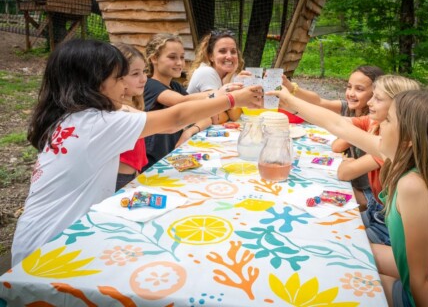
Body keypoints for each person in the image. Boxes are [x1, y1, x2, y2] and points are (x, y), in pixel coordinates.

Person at [12, 39, 262, 265]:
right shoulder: (98, 123)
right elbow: (174, 119)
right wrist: (232, 100)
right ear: (94, 82)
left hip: (37, 238)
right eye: (118, 77)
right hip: (51, 248)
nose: (125, 83)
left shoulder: (69, 117)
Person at [268, 88, 428, 306]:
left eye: (389, 120)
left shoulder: (413, 186)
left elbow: (421, 279)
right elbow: (337, 125)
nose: (380, 123)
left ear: (409, 139)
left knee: (339, 284)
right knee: (339, 250)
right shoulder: (400, 156)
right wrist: (289, 100)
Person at [337, 75, 420, 245]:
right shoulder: (377, 125)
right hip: (378, 209)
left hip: (386, 223)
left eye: (378, 98)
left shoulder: (394, 145)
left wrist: (351, 158)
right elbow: (337, 128)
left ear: (398, 107)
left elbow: (345, 173)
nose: (369, 103)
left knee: (342, 239)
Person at [283, 65, 384, 201]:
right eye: (349, 87)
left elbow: (337, 145)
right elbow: (319, 102)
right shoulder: (348, 108)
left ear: (375, 94)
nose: (351, 93)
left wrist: (289, 102)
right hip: (352, 180)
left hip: (365, 191)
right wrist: (291, 88)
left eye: (359, 89)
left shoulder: (374, 122)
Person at [143, 33, 217, 170]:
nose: (179, 63)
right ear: (154, 58)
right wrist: (219, 94)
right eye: (172, 57)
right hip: (153, 162)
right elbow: (180, 101)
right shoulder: (149, 85)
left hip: (173, 157)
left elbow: (206, 118)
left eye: (182, 57)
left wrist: (188, 132)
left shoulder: (176, 86)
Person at [186, 30, 245, 124]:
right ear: (211, 56)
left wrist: (229, 77)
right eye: (222, 51)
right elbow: (217, 118)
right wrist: (227, 111)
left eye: (233, 52)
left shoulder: (230, 74)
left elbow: (235, 116)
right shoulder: (206, 72)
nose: (229, 56)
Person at [113, 43, 148, 190]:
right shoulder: (118, 111)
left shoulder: (132, 104)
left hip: (131, 174)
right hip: (118, 179)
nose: (144, 79)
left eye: (144, 71)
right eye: (135, 74)